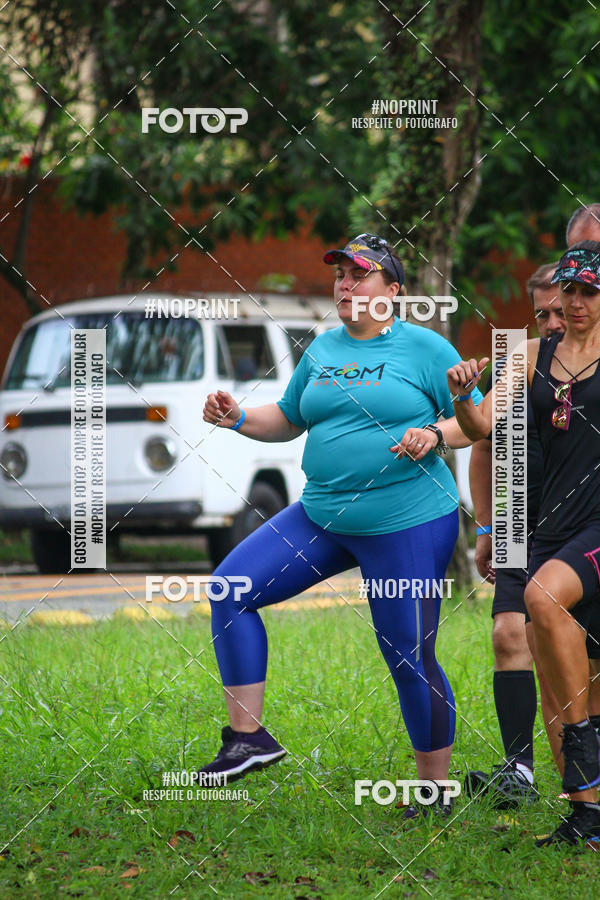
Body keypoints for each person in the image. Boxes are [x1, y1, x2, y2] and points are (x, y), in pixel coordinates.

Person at [198, 233, 482, 812]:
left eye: (360, 274)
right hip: (323, 513)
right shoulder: (323, 350)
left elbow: (472, 423)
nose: (345, 285)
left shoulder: (427, 349)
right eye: (339, 276)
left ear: (393, 290)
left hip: (407, 521)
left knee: (408, 653)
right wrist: (237, 416)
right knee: (230, 589)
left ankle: (434, 789)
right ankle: (248, 740)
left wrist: (433, 435)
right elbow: (290, 418)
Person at [447, 241, 600, 846]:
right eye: (571, 291)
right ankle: (586, 813)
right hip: (542, 526)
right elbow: (483, 428)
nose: (579, 303)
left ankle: (583, 748)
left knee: (541, 598)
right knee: (565, 668)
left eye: (591, 292)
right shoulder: (529, 354)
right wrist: (464, 392)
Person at [465, 263, 566, 808]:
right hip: (517, 517)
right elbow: (482, 442)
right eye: (540, 314)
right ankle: (519, 771)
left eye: (559, 309)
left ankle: (579, 775)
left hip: (577, 525)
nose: (551, 323)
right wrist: (486, 524)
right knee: (508, 635)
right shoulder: (515, 364)